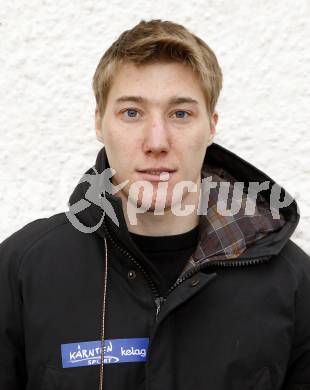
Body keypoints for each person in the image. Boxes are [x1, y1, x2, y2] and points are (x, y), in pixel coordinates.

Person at [0, 18, 309, 390]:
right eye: (132, 112)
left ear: (211, 127)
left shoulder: (292, 283)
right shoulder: (22, 270)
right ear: (100, 124)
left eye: (181, 113)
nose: (156, 141)